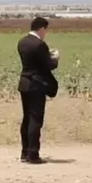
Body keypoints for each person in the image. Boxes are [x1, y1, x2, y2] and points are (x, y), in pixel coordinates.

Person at [16, 16, 59, 164]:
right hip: (36, 85)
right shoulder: (40, 44)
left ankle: (24, 152)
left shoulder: (22, 42)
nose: (46, 33)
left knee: (27, 119)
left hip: (24, 83)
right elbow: (48, 65)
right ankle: (33, 154)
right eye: (46, 30)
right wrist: (55, 58)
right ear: (41, 28)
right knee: (36, 120)